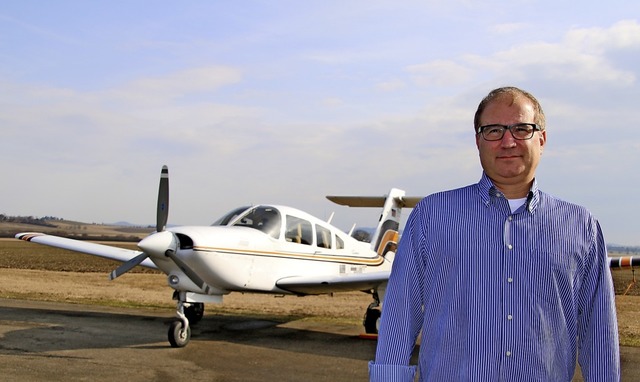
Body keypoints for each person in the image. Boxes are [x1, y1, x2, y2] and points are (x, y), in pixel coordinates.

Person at [369, 86, 620, 381]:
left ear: (542, 138)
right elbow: (401, 314)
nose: (508, 141)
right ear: (477, 140)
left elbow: (599, 330)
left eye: (522, 129)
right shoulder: (432, 216)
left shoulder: (581, 226)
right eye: (494, 130)